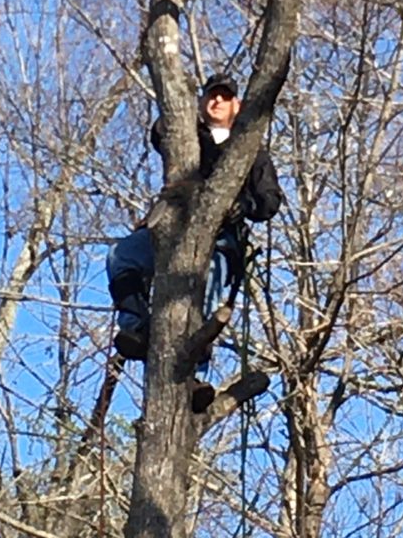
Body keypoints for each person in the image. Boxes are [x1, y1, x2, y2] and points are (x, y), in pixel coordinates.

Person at [106, 72, 282, 375]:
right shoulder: (189, 138)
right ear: (202, 102)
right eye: (211, 95)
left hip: (222, 239)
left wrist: (243, 206)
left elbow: (270, 201)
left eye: (224, 97)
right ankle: (136, 327)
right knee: (121, 257)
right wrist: (183, 106)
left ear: (236, 106)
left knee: (207, 281)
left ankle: (193, 373)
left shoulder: (250, 151)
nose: (217, 101)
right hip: (172, 228)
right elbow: (160, 131)